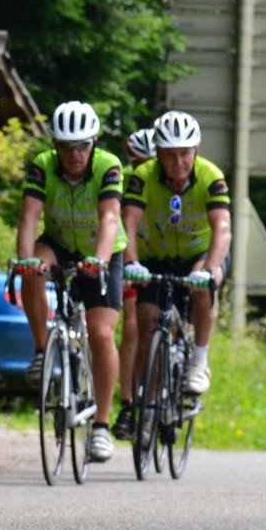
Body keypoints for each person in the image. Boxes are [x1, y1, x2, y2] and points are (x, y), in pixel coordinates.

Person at [14, 100, 128, 461]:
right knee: (32, 270)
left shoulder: (108, 165)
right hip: (59, 243)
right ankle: (40, 350)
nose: (73, 153)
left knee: (102, 335)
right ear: (55, 145)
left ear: (93, 143)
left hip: (101, 251)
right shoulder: (43, 165)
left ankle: (102, 427)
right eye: (65, 146)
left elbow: (110, 218)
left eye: (81, 146)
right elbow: (29, 216)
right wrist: (25, 260)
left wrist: (100, 260)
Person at [121, 109, 230, 399]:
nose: (178, 162)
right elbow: (128, 222)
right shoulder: (143, 175)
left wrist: (209, 269)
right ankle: (148, 403)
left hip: (200, 252)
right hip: (157, 255)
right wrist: (132, 262)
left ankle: (199, 361)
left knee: (203, 286)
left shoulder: (211, 176)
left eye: (184, 153)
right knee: (146, 320)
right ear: (157, 153)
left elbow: (222, 228)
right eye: (169, 155)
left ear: (196, 150)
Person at [112, 125, 157, 439]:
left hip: (168, 253)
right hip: (133, 255)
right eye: (139, 164)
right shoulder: (125, 181)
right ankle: (128, 403)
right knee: (131, 325)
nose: (146, 171)